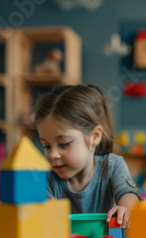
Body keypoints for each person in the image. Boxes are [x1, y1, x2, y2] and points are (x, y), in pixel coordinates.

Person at [35, 84, 140, 229]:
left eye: (64, 144)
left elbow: (128, 194)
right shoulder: (46, 176)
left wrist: (126, 209)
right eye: (46, 146)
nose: (52, 154)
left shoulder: (113, 165)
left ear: (94, 137)